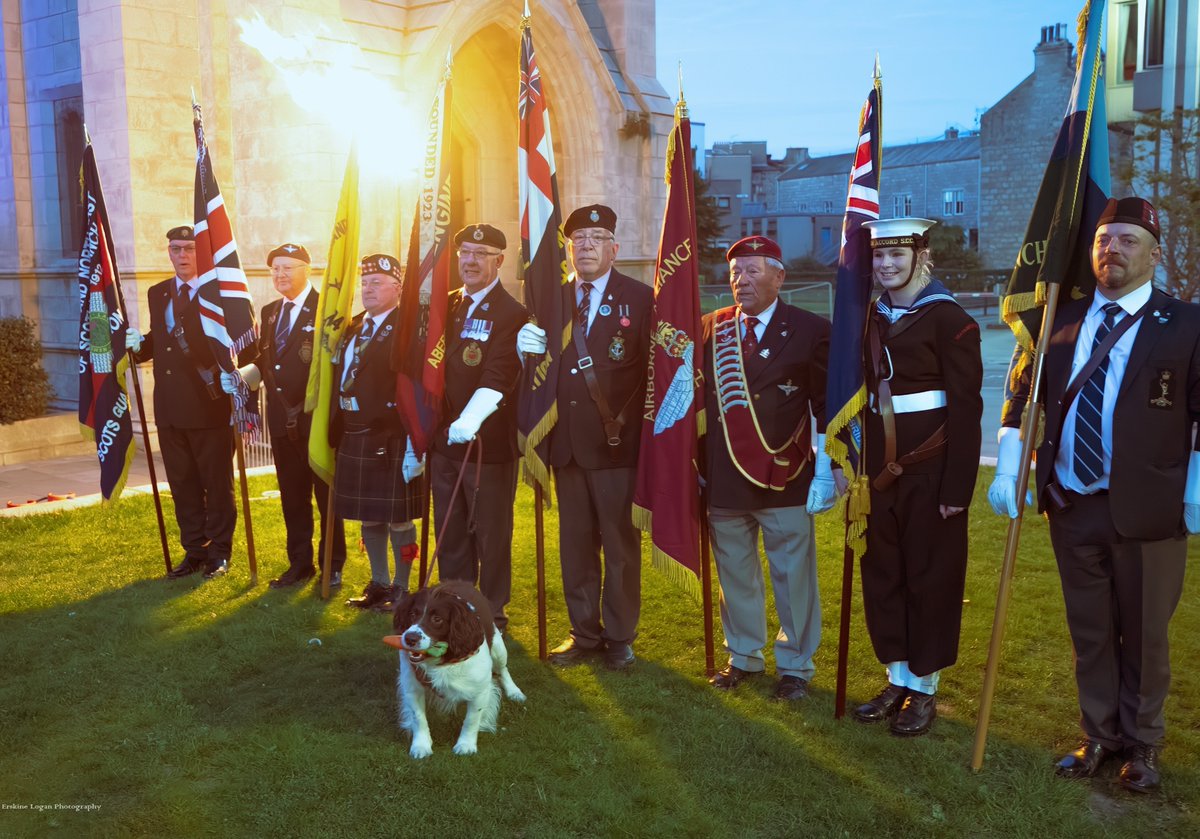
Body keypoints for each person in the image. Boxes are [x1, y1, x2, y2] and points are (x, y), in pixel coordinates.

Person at [988, 197, 1200, 792]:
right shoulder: (1059, 316)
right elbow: (1023, 397)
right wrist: (1010, 469)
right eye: (1105, 239)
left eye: (1129, 240)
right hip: (1073, 501)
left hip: (1150, 508)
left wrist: (1196, 489)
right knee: (1091, 631)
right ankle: (1099, 735)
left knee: (1146, 632)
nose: (1113, 249)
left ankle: (1143, 743)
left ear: (1154, 254)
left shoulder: (1186, 322)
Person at [848, 218, 982, 736]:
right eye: (879, 258)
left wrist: (956, 489)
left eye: (896, 257)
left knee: (930, 580)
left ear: (920, 256)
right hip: (879, 476)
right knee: (884, 576)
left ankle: (923, 689)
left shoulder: (950, 320)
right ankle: (895, 678)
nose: (885, 266)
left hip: (932, 476)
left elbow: (967, 410)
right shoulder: (868, 319)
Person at [700, 235, 836, 701]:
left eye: (753, 270)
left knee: (792, 573)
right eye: (736, 272)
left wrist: (828, 468)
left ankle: (796, 664)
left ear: (779, 276)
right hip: (725, 476)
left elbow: (826, 405)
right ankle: (744, 655)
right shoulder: (711, 329)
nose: (741, 280)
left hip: (785, 474)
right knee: (735, 572)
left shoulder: (811, 329)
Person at [516, 204, 652, 669]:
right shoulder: (551, 300)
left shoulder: (641, 298)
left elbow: (658, 375)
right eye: (579, 240)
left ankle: (619, 637)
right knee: (574, 547)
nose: (586, 246)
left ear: (615, 247)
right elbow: (540, 372)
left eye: (597, 238)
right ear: (569, 249)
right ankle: (583, 634)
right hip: (567, 446)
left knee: (619, 548)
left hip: (616, 447)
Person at [219, 243, 347, 588]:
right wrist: (242, 376)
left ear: (308, 269)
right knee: (293, 496)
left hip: (315, 421)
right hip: (281, 421)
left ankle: (332, 564)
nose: (280, 275)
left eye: (287, 268)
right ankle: (300, 564)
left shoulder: (327, 310)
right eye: (275, 269)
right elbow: (267, 363)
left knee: (325, 496)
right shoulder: (271, 310)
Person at [124, 225, 244, 579]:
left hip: (209, 407)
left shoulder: (217, 293)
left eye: (189, 249)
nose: (182, 256)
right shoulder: (159, 292)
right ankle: (195, 551)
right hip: (170, 408)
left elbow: (237, 342)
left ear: (201, 252)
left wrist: (236, 376)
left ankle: (220, 553)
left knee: (216, 485)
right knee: (182, 485)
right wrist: (139, 345)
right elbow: (162, 343)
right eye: (176, 249)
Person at [431, 224, 527, 631]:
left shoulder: (513, 314)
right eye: (464, 253)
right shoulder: (446, 305)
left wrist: (469, 420)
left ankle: (491, 611)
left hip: (488, 445)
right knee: (450, 529)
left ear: (499, 261)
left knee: (490, 532)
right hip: (444, 443)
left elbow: (499, 374)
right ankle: (454, 604)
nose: (469, 261)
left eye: (480, 254)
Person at [329, 253, 423, 611]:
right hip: (356, 433)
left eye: (377, 283)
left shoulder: (407, 328)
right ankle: (379, 583)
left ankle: (402, 586)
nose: (368, 288)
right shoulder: (353, 326)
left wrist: (417, 443)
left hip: (393, 435)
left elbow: (415, 385)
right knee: (369, 515)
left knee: (399, 518)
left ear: (397, 288)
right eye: (365, 282)